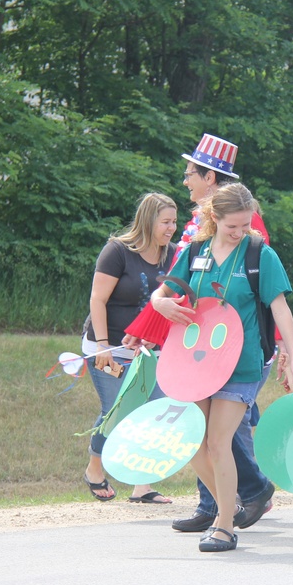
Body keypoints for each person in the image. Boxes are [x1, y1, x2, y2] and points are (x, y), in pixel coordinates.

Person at [126, 134, 277, 533]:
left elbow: (245, 292)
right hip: (199, 344)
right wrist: (150, 327)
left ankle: (248, 494)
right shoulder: (201, 227)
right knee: (207, 433)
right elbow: (182, 290)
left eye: (191, 172)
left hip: (234, 348)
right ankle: (214, 504)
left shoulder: (242, 223)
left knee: (220, 435)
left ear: (211, 177)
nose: (185, 179)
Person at [151, 183, 293, 552]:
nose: (240, 233)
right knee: (193, 443)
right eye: (232, 226)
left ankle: (224, 526)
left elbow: (279, 307)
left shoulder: (259, 255)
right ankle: (230, 502)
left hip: (242, 363)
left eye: (245, 225)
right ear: (214, 218)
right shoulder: (194, 252)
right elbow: (164, 292)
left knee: (219, 442)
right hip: (195, 364)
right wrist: (161, 304)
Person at [81, 193, 178, 504]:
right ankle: (95, 469)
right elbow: (97, 299)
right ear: (148, 221)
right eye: (166, 221)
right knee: (116, 412)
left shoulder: (173, 255)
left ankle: (142, 485)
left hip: (151, 349)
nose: (172, 228)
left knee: (154, 413)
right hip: (108, 344)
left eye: (174, 221)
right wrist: (102, 346)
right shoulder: (117, 251)